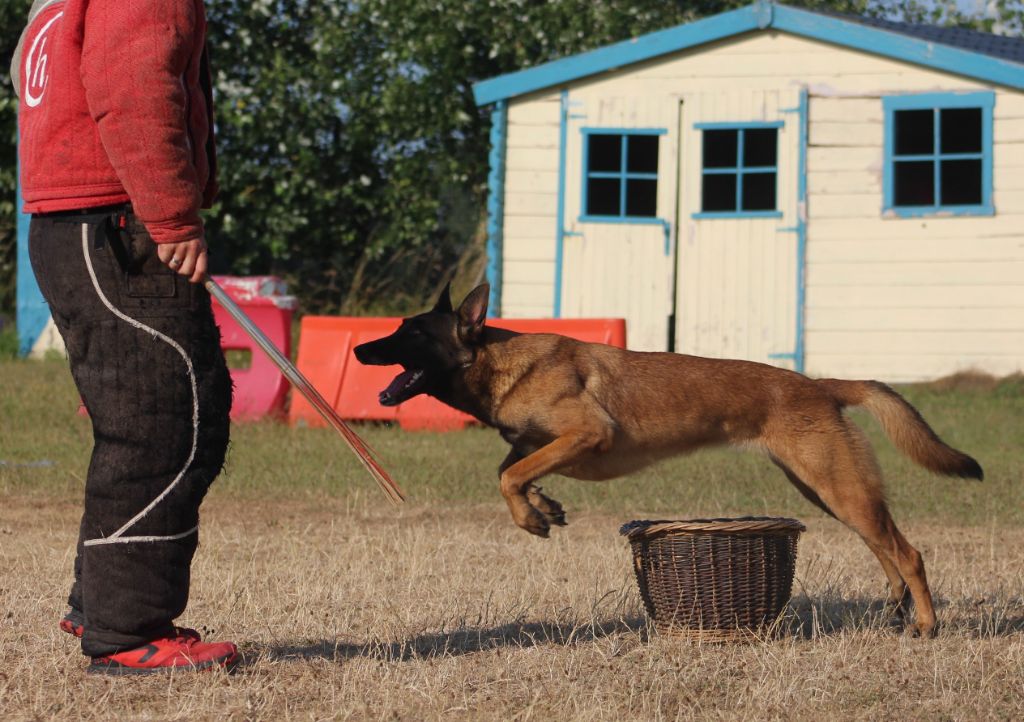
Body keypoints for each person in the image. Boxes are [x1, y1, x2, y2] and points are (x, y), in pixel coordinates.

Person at [12, 0, 237, 674]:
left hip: (73, 224)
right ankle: (126, 631)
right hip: (116, 223)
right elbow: (135, 86)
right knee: (166, 422)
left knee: (145, 419)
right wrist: (173, 215)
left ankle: (101, 602)